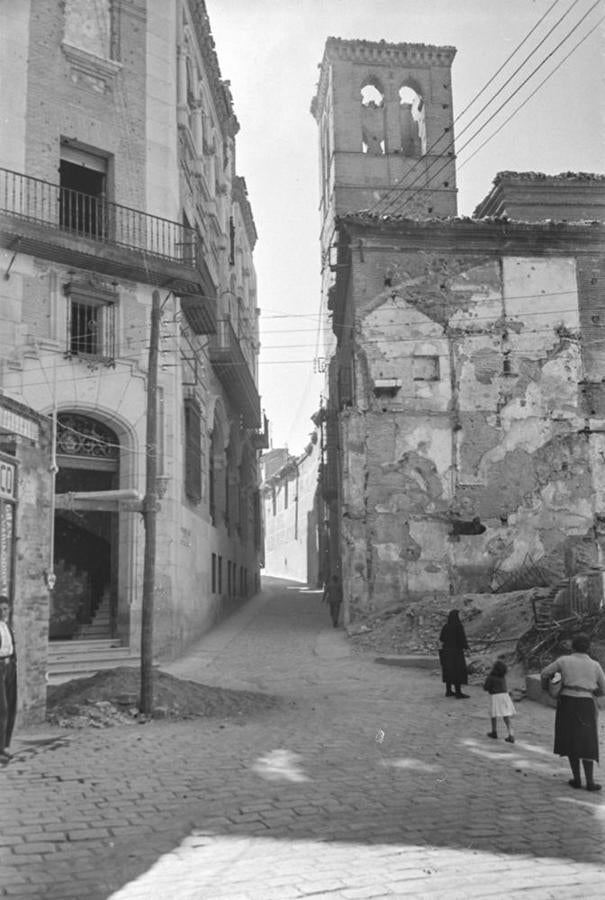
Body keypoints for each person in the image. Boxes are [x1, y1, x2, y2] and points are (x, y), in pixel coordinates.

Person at [541, 633, 605, 792]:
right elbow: (604, 687)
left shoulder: (564, 660)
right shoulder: (595, 665)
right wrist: (593, 691)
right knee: (587, 740)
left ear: (572, 646)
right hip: (586, 704)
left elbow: (544, 673)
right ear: (588, 648)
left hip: (567, 702)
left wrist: (547, 688)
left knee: (571, 740)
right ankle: (590, 782)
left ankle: (577, 779)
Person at [0, 595, 17, 763]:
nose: (3, 612)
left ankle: (3, 745)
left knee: (10, 706)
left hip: (9, 666)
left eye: (5, 609)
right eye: (0, 609)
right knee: (2, 708)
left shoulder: (7, 626)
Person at [483, 658, 516, 742]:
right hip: (505, 696)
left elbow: (486, 687)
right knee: (506, 717)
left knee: (493, 714)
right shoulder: (502, 677)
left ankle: (494, 731)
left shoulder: (491, 677)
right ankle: (511, 734)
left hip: (495, 697)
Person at [439, 609, 469, 698]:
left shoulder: (445, 626)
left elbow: (441, 639)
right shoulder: (458, 626)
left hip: (446, 652)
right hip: (456, 653)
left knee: (448, 671)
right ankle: (458, 692)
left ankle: (448, 691)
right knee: (457, 672)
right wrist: (466, 647)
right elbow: (462, 640)